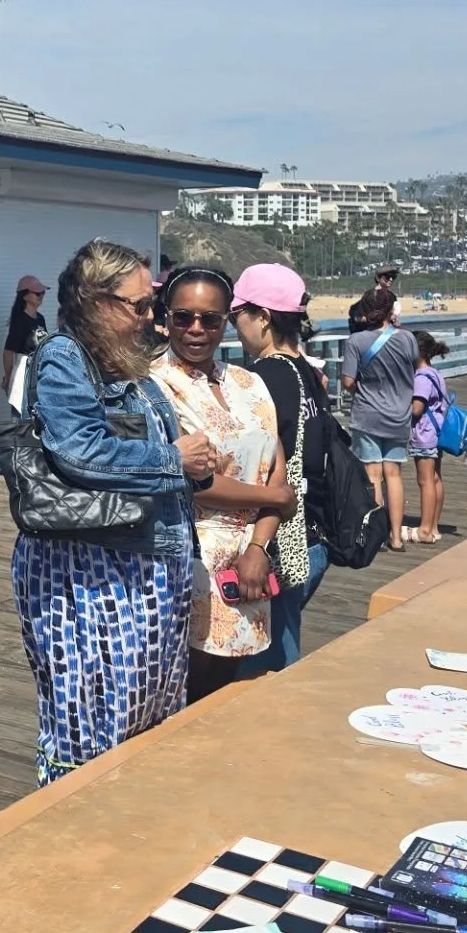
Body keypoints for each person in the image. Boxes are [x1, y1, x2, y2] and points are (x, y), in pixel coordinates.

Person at [10, 240, 215, 785]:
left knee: (145, 713)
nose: (151, 318)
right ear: (96, 302)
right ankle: (73, 834)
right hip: (90, 570)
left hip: (145, 565)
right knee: (91, 724)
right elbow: (82, 450)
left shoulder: (128, 366)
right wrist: (176, 457)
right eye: (139, 305)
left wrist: (197, 462)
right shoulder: (64, 357)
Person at [152, 266, 295, 702]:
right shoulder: (153, 385)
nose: (197, 329)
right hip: (190, 558)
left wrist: (258, 549)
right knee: (186, 691)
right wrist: (273, 498)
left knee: (225, 688)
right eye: (184, 317)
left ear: (226, 321)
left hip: (249, 559)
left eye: (210, 319)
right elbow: (192, 482)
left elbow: (278, 469)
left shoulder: (249, 382)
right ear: (166, 318)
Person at [229, 265, 331, 673]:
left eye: (238, 313)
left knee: (258, 671)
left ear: (264, 317)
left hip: (275, 543)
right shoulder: (310, 372)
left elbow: (257, 463)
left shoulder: (260, 378)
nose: (234, 324)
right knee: (285, 653)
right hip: (312, 538)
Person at [341, 286, 418, 553]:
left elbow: (348, 381)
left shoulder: (356, 342)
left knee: (373, 476)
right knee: (393, 474)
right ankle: (397, 537)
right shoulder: (408, 338)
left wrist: (364, 387)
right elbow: (411, 370)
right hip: (399, 415)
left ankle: (378, 536)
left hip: (368, 414)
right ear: (391, 310)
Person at [407, 331, 452, 544]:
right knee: (435, 478)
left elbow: (417, 409)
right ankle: (434, 527)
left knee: (424, 481)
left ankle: (425, 528)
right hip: (437, 431)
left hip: (424, 433)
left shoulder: (421, 377)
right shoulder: (435, 373)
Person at [2, 275, 48, 392]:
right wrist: (9, 379)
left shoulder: (41, 319)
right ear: (25, 296)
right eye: (37, 293)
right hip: (23, 379)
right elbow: (8, 352)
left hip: (39, 377)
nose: (41, 296)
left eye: (42, 293)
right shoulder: (20, 321)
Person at [348, 266, 398, 332]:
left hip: (385, 332)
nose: (391, 279)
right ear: (378, 278)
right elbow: (357, 316)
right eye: (388, 276)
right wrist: (374, 319)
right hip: (372, 333)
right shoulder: (369, 295)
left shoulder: (392, 296)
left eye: (393, 277)